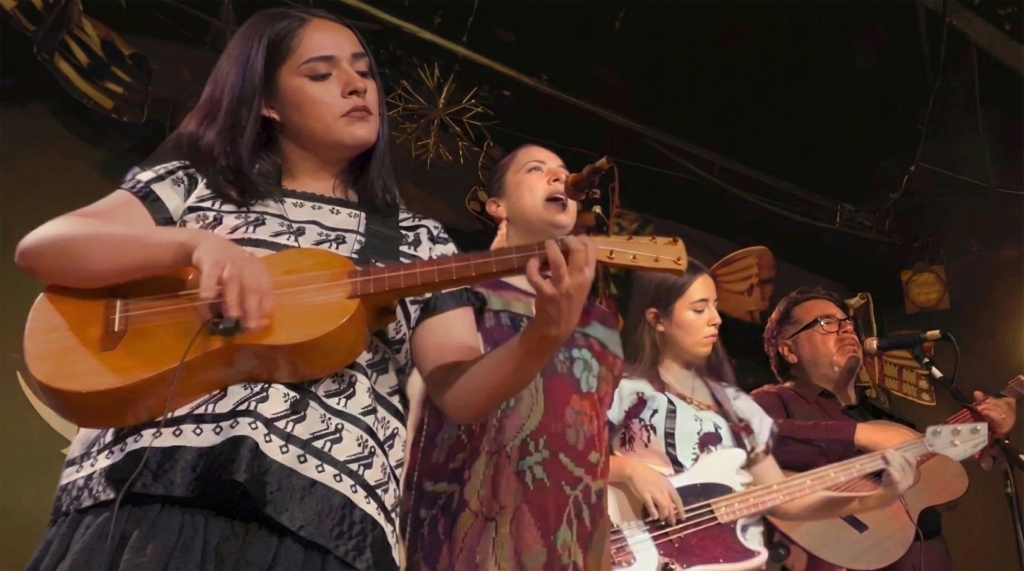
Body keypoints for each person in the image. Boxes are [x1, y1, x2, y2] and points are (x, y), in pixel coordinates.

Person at [15, 9, 597, 571]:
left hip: (324, 518)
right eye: (321, 74)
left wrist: (546, 332)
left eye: (364, 72)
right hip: (148, 492)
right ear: (267, 102)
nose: (356, 85)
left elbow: (460, 391)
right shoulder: (198, 185)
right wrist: (192, 246)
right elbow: (47, 246)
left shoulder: (419, 239)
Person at [606, 269, 918, 570]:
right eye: (699, 309)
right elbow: (575, 461)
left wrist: (876, 499)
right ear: (657, 320)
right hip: (617, 542)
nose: (715, 319)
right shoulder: (623, 388)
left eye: (715, 307)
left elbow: (785, 500)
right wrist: (631, 470)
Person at [402, 144, 622, 571]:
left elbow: (592, 447)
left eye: (563, 170)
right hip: (462, 538)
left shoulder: (601, 324)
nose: (559, 178)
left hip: (569, 547)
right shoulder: (460, 289)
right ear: (497, 206)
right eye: (536, 170)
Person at [752, 286, 1018, 571]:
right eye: (826, 323)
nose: (847, 330)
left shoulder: (884, 415)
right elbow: (746, 441)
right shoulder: (772, 400)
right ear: (789, 350)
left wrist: (985, 435)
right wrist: (860, 434)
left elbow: (936, 463)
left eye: (847, 323)